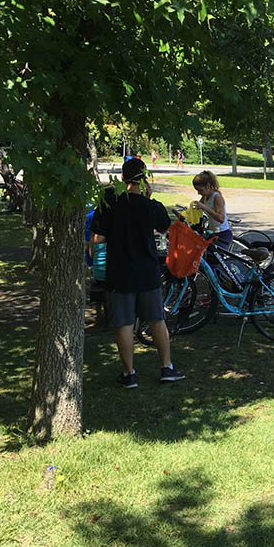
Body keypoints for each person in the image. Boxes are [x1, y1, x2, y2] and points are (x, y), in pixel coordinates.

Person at [90, 158, 184, 388]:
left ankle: (129, 373)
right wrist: (148, 199)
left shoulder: (110, 202)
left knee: (124, 323)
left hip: (119, 271)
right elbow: (164, 227)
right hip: (148, 271)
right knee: (156, 320)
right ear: (144, 179)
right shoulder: (151, 206)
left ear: (122, 177)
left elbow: (97, 239)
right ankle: (166, 367)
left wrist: (97, 262)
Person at [191, 170, 232, 247]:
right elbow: (198, 209)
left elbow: (221, 219)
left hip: (222, 233)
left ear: (208, 186)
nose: (199, 193)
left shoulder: (217, 197)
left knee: (216, 258)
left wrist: (205, 208)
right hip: (212, 232)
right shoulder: (205, 196)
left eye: (200, 190)